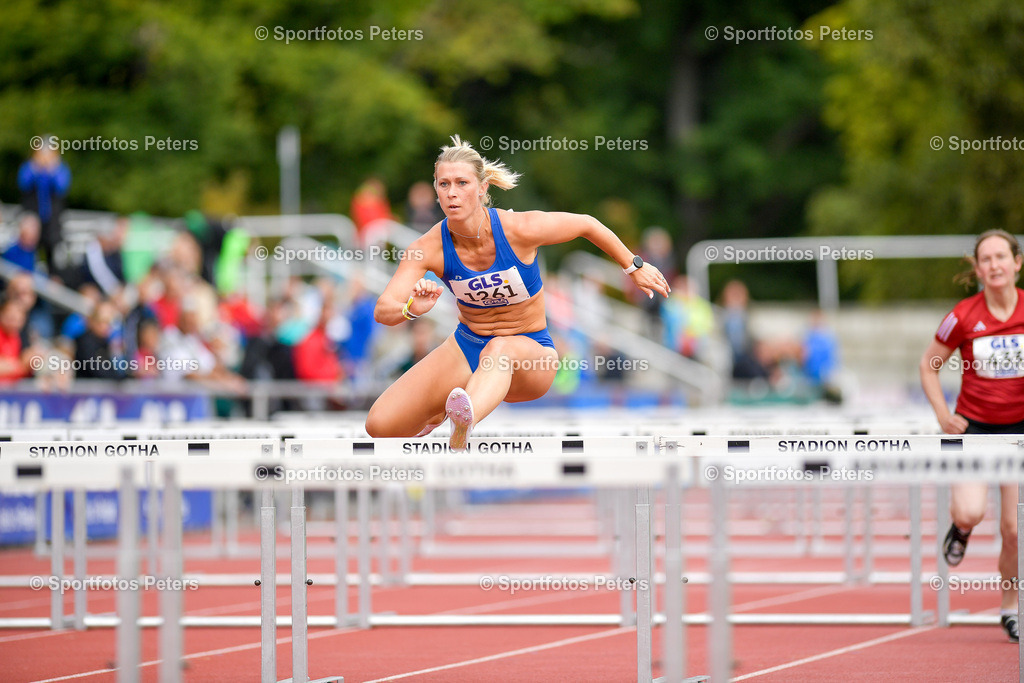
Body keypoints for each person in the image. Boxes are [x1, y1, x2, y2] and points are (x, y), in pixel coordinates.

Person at [365, 136, 669, 449]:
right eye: (443, 184)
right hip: (467, 347)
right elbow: (384, 308)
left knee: (499, 349)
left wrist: (634, 266)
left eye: (461, 183)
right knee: (379, 425)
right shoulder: (427, 248)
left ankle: (462, 424)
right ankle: (451, 411)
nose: (452, 193)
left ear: (482, 188)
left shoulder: (519, 229)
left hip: (530, 355)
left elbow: (586, 224)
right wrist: (412, 308)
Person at [920, 228, 1024, 643]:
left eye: (1002, 257)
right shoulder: (963, 315)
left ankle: (1011, 607)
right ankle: (960, 530)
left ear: (1017, 263)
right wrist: (944, 416)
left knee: (1015, 530)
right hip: (975, 426)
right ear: (978, 268)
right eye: (987, 259)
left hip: (1020, 429)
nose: (995, 265)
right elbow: (929, 365)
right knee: (969, 511)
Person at [18, 139, 71, 269]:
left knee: (53, 251)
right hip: (32, 218)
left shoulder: (60, 169)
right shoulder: (29, 167)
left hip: (52, 221)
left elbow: (62, 186)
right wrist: (36, 167)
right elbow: (23, 183)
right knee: (29, 248)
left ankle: (53, 279)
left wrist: (52, 169)